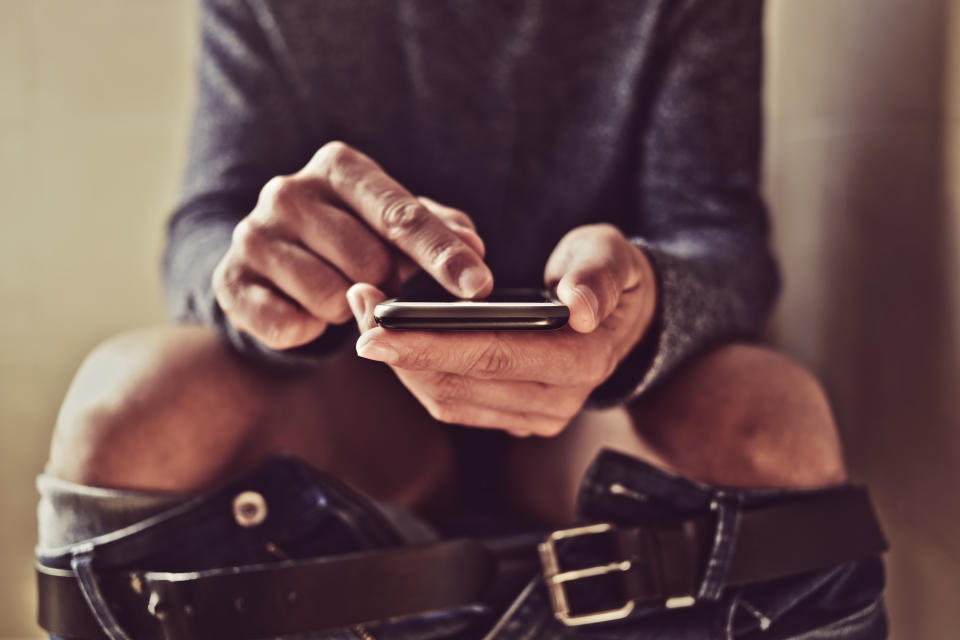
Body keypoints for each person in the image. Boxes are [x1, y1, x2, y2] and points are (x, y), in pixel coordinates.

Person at [37, 1, 887, 638]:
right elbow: (207, 227)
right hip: (352, 401)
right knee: (130, 405)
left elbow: (724, 241)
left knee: (775, 424)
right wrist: (258, 281)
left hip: (597, 416)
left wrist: (645, 301)